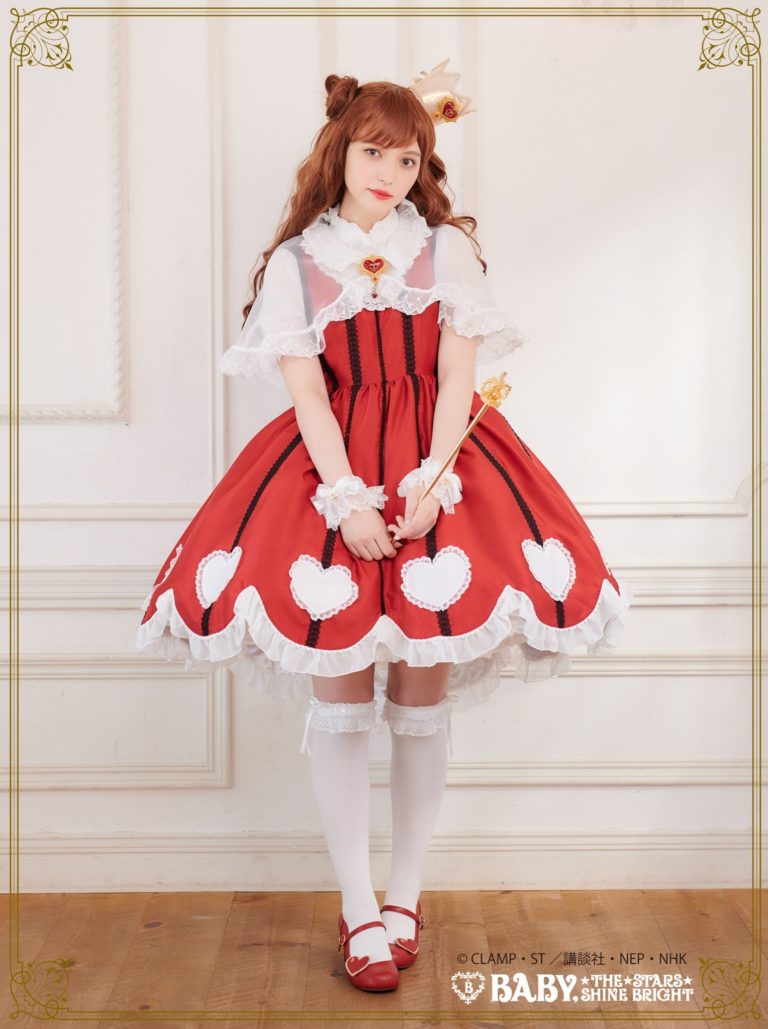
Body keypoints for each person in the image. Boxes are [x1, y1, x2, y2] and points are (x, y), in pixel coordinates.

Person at [136, 63, 633, 994]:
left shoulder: (446, 252)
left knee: (419, 695)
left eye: (407, 160)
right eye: (374, 153)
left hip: (439, 471)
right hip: (329, 474)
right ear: (340, 150)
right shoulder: (297, 264)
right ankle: (357, 905)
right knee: (339, 697)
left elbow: (456, 380)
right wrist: (348, 500)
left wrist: (432, 483)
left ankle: (405, 895)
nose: (390, 174)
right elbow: (308, 398)